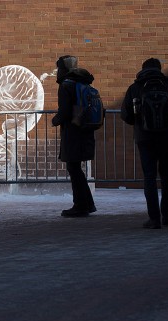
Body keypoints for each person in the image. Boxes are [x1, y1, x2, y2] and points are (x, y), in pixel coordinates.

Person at [121, 58, 168, 229]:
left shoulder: (135, 87)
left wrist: (140, 123)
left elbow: (125, 115)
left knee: (149, 177)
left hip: (145, 138)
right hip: (166, 137)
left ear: (142, 69)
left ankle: (154, 218)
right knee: (166, 176)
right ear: (159, 68)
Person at [52, 55, 96, 217]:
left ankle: (80, 206)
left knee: (74, 168)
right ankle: (87, 204)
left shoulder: (66, 85)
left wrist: (55, 120)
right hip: (84, 129)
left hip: (72, 132)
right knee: (77, 169)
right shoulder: (82, 82)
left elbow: (64, 112)